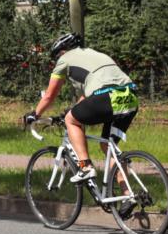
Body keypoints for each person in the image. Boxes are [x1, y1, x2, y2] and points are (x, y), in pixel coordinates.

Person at [24, 33, 139, 187]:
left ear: (62, 52)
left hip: (105, 97)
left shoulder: (65, 59)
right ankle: (127, 196)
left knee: (71, 120)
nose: (57, 60)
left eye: (56, 56)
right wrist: (72, 109)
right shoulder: (96, 54)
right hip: (130, 96)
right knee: (108, 146)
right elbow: (90, 93)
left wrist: (34, 114)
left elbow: (49, 95)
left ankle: (85, 167)